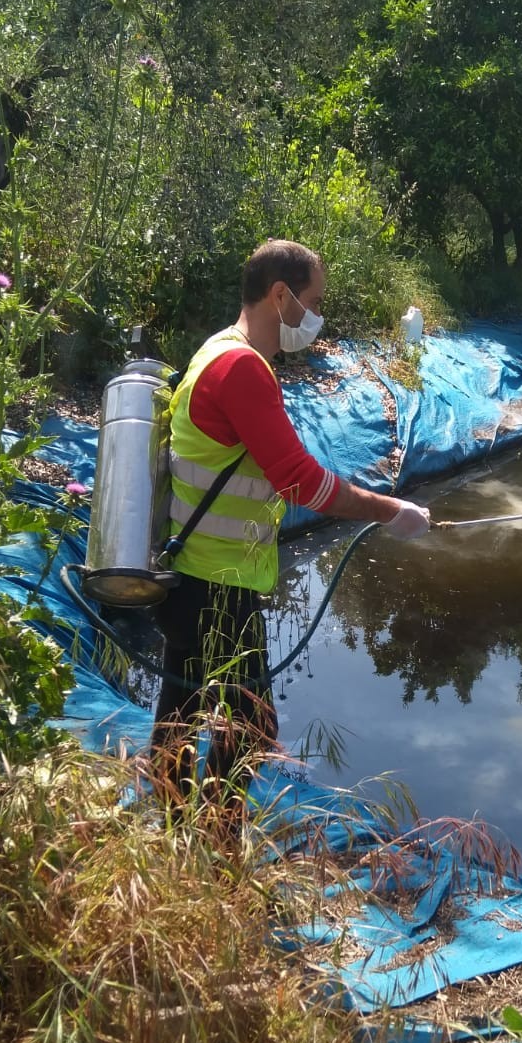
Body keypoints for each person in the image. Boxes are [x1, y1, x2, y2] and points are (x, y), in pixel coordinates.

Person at [150, 238, 429, 807]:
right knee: (250, 728)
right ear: (280, 297)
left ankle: (175, 847)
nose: (317, 315)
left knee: (180, 718)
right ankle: (216, 852)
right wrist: (389, 510)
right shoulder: (241, 369)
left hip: (195, 576)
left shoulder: (216, 351)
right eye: (313, 300)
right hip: (215, 586)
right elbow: (300, 481)